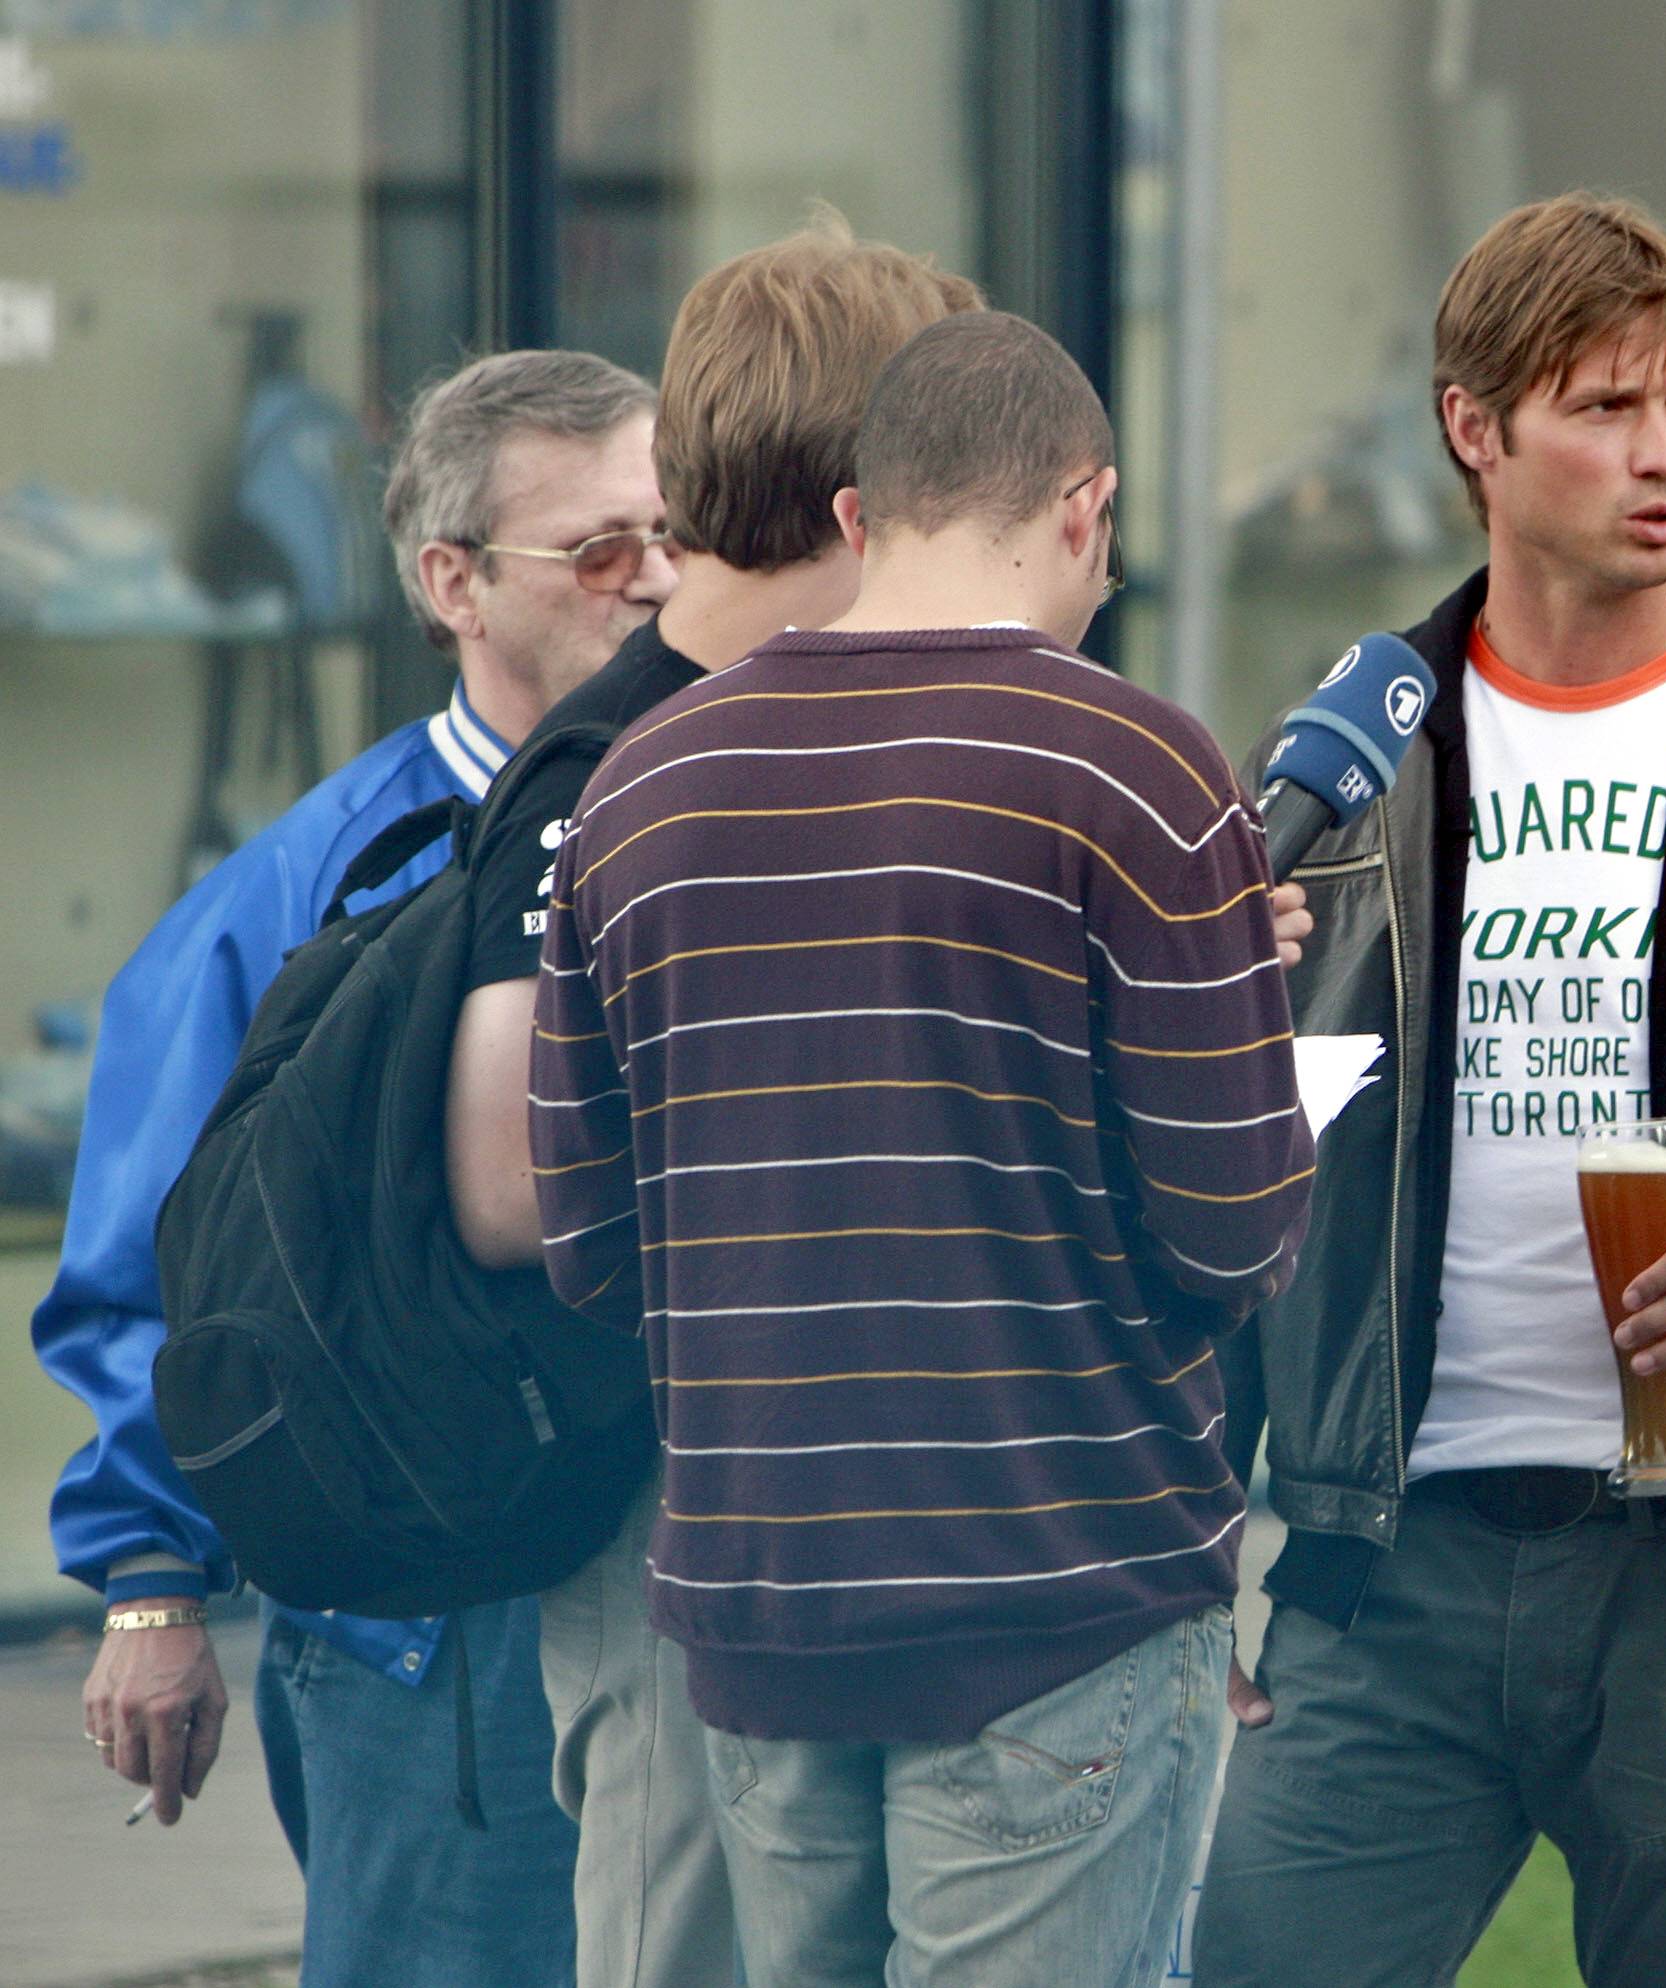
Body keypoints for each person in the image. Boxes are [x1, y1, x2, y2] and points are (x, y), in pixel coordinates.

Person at [529, 309, 1314, 1988]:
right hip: (1062, 1582)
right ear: (1088, 510)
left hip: (757, 1599)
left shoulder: (638, 790)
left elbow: (592, 1247)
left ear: (863, 522)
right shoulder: (1139, 769)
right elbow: (1237, 1231)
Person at [1192, 193, 1666, 1988]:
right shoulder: (1339, 773)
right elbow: (1224, 1181)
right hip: (1383, 1557)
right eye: (1607, 407)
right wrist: (1204, 1553)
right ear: (1473, 430)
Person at [36, 347, 671, 1983]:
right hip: (439, 1626)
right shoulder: (313, 883)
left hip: (706, 1579)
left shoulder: (715, 816)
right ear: (449, 582)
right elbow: (150, 1264)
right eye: (603, 548)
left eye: (681, 532)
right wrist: (150, 1586)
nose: (658, 577)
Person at [439, 208, 980, 1988]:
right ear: (861, 500)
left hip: (874, 1510)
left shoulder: (855, 731)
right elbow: (512, 1185)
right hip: (672, 1512)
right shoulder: (608, 764)